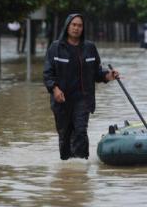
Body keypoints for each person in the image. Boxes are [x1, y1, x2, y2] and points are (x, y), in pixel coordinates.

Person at [43, 14, 119, 160]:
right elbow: (47, 74)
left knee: (80, 131)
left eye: (80, 25)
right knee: (65, 135)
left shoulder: (89, 48)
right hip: (61, 100)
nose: (76, 28)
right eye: (74, 25)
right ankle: (67, 169)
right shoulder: (55, 48)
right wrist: (55, 89)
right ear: (67, 26)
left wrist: (108, 76)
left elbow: (96, 73)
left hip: (83, 99)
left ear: (83, 28)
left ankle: (81, 167)